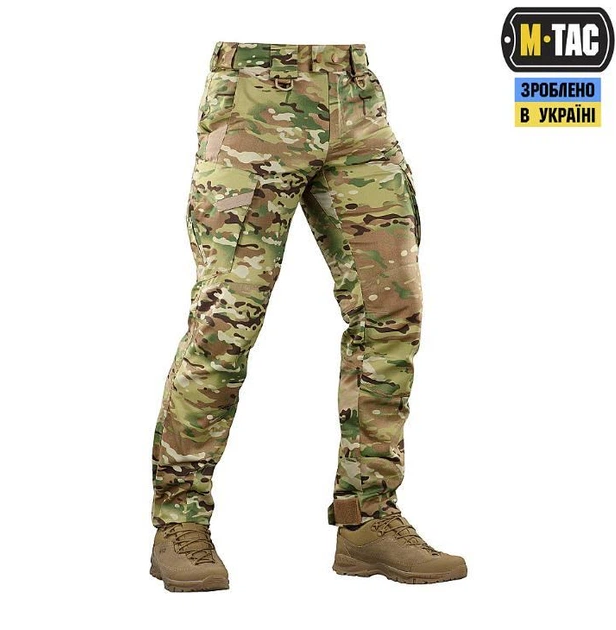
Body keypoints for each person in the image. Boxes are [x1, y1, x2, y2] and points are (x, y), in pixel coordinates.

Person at [150, 42, 467, 591]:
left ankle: (367, 517)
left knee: (391, 311)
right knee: (226, 320)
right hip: (253, 96)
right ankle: (180, 522)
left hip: (355, 100)